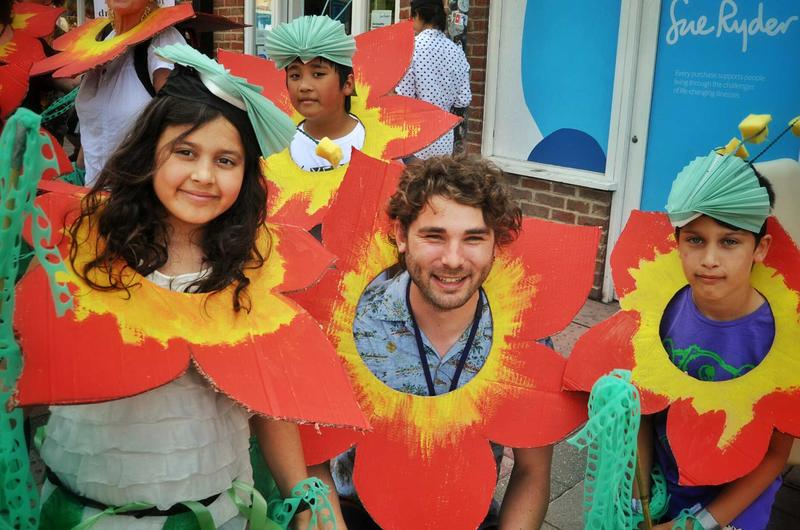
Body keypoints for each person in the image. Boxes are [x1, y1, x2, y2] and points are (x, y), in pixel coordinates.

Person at [33, 44, 323, 529]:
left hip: (213, 510)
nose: (203, 176)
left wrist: (306, 502)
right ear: (151, 154)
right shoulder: (80, 239)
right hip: (86, 510)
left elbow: (268, 395)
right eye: (185, 152)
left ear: (247, 174)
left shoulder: (253, 263)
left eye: (226, 160)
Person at [311, 155, 553, 529]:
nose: (453, 260)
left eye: (473, 238)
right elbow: (312, 458)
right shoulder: (346, 324)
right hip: (356, 513)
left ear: (495, 245)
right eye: (434, 236)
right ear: (401, 236)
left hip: (470, 515)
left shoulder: (523, 337)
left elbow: (532, 471)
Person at [636, 152, 793, 530]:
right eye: (695, 239)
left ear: (760, 248)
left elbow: (776, 456)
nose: (709, 259)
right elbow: (643, 405)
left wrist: (700, 524)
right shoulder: (661, 313)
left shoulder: (787, 339)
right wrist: (637, 492)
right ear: (676, 242)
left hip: (739, 501)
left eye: (729, 242)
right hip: (664, 485)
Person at [76, 0, 185, 186]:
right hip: (94, 196)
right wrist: (78, 172)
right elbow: (98, 124)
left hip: (138, 201)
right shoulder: (103, 40)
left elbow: (179, 121)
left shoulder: (163, 40)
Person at [264, 15, 364, 172]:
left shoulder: (370, 141)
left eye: (318, 74)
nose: (304, 86)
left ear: (347, 84)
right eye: (295, 76)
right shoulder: (276, 146)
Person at [396, 0, 471, 160]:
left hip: (414, 140)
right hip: (444, 140)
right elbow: (463, 100)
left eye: (412, 16)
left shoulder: (411, 49)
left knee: (410, 184)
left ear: (418, 15)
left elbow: (405, 98)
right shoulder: (456, 52)